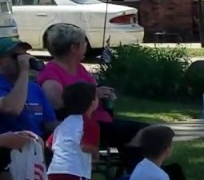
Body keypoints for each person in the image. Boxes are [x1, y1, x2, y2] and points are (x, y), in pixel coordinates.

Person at [36, 23, 147, 169]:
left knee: (147, 132)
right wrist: (93, 94)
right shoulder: (51, 75)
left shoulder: (79, 68)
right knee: (144, 133)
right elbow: (56, 105)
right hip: (80, 127)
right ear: (73, 48)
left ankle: (133, 172)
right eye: (84, 42)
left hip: (98, 120)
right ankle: (136, 174)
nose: (86, 46)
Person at [0, 37, 57, 180]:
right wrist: (24, 72)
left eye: (25, 55)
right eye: (17, 56)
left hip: (37, 144)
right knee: (6, 158)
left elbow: (50, 122)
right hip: (10, 145)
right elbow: (12, 108)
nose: (23, 59)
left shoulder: (34, 88)